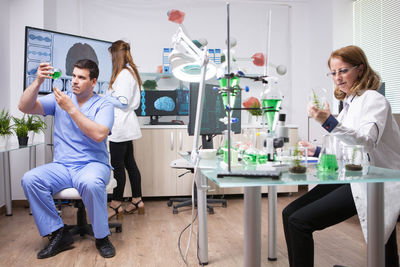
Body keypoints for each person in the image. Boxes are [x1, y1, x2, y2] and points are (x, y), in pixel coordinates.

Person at [282, 45, 400, 267]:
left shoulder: (373, 100)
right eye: (333, 72)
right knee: (289, 213)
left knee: (299, 221)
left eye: (343, 70)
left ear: (360, 69)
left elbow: (365, 142)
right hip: (357, 176)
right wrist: (315, 151)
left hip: (377, 181)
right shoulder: (349, 104)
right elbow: (345, 150)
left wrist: (328, 121)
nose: (337, 77)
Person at [19, 59, 116, 259]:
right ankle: (58, 233)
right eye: (74, 76)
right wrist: (37, 81)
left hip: (93, 165)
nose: (75, 81)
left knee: (90, 183)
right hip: (62, 166)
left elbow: (99, 134)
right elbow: (24, 106)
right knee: (30, 179)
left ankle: (101, 237)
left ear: (93, 82)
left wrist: (71, 108)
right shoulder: (59, 99)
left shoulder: (103, 103)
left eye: (81, 77)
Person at [104, 40, 144, 219]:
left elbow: (123, 101)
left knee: (118, 166)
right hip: (124, 125)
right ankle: (137, 200)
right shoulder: (128, 73)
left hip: (121, 127)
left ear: (116, 55)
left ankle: (115, 204)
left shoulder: (124, 75)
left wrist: (102, 98)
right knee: (129, 164)